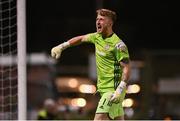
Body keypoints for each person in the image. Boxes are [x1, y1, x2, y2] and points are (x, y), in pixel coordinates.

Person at [51, 8, 131, 120]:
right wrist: (62, 46)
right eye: (97, 19)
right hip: (104, 90)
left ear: (110, 23)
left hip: (113, 91)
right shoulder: (96, 37)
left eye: (102, 19)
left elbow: (127, 67)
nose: (98, 22)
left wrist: (120, 89)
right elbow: (81, 38)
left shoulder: (118, 45)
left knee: (98, 119)